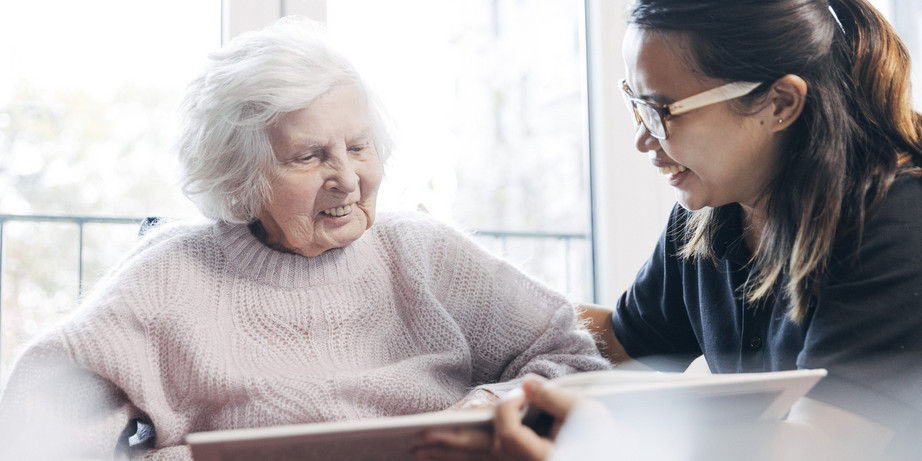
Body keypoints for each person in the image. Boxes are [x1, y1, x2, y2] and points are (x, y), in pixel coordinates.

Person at [0, 16, 610, 460]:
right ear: (240, 174)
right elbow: (37, 423)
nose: (346, 178)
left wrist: (486, 408)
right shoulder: (170, 278)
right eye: (310, 156)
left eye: (359, 147)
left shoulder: (424, 252)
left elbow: (571, 358)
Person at [415, 0, 922, 460]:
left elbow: (820, 447)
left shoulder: (895, 220)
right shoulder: (711, 212)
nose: (642, 138)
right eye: (634, 103)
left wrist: (604, 447)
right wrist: (450, 285)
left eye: (661, 111)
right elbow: (616, 346)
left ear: (779, 104)